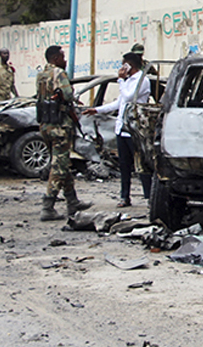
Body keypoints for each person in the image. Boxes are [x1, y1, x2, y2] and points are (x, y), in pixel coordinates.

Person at [85, 52, 152, 208]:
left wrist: (121, 80)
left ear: (129, 66)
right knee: (124, 165)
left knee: (141, 165)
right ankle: (125, 196)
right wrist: (96, 110)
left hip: (134, 129)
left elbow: (129, 97)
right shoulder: (127, 81)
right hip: (122, 128)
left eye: (124, 65)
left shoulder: (142, 80)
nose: (122, 68)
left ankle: (149, 197)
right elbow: (118, 103)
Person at [36, 45, 92, 221]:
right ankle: (48, 205)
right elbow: (67, 94)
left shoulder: (41, 75)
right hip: (59, 125)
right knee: (59, 166)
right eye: (61, 56)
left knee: (63, 163)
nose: (64, 60)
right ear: (54, 58)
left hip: (46, 123)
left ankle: (72, 201)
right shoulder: (58, 73)